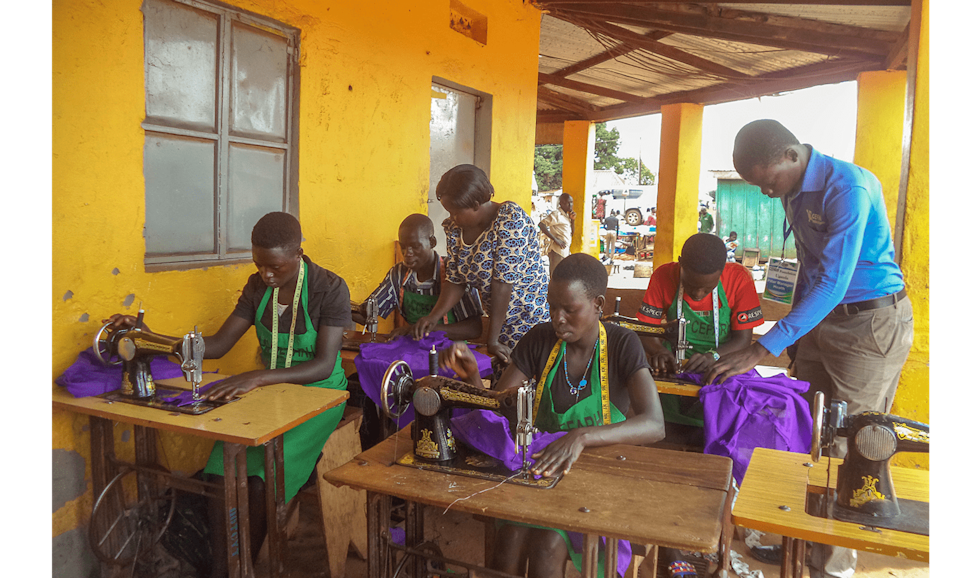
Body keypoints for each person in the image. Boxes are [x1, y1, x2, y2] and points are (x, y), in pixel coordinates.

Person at [708, 119, 914, 578]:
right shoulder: (793, 188)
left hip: (868, 325)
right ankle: (793, 536)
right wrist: (798, 340)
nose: (765, 194)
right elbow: (810, 267)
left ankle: (834, 563)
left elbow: (835, 282)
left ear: (791, 156)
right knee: (804, 429)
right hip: (823, 323)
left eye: (767, 183)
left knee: (851, 442)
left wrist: (766, 349)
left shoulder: (848, 188)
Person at [106, 211, 352, 577]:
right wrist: (151, 334)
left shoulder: (329, 289)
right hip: (267, 392)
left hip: (317, 395)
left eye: (275, 267)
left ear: (298, 253)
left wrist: (255, 377)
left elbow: (321, 365)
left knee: (258, 481)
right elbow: (218, 345)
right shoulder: (257, 288)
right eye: (258, 265)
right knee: (221, 475)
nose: (266, 275)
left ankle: (243, 568)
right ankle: (225, 567)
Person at [439, 253, 665, 578]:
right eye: (552, 306)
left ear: (598, 304)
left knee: (547, 544)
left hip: (599, 478)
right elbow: (501, 407)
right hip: (542, 470)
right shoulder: (541, 339)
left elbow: (655, 424)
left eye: (569, 310)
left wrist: (581, 436)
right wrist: (472, 379)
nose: (558, 318)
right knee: (510, 540)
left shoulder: (621, 343)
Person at [414, 164, 551, 377]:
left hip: (529, 321)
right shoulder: (454, 229)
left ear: (477, 204)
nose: (452, 217)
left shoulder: (509, 220)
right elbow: (455, 280)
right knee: (501, 392)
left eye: (457, 211)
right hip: (500, 326)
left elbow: (502, 284)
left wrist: (492, 339)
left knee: (526, 390)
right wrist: (433, 317)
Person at [635, 233, 764, 432]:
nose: (697, 294)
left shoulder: (739, 278)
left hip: (722, 363)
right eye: (691, 285)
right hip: (673, 364)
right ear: (680, 264)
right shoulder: (663, 275)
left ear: (722, 270)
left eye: (707, 288)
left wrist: (714, 356)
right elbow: (646, 329)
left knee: (736, 413)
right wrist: (658, 350)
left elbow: (743, 339)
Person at [352, 213, 483, 341]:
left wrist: (426, 329)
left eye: (415, 246)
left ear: (432, 242)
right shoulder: (398, 274)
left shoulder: (454, 273)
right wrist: (344, 307)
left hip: (452, 352)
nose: (407, 253)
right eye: (403, 247)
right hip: (414, 348)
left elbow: (474, 329)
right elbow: (368, 314)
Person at [538, 192, 576, 275]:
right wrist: (555, 239)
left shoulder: (567, 216)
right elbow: (541, 224)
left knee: (563, 277)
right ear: (561, 203)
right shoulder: (556, 214)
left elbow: (571, 233)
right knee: (555, 276)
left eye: (571, 202)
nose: (570, 205)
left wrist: (572, 220)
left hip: (565, 251)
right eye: (568, 203)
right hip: (557, 251)